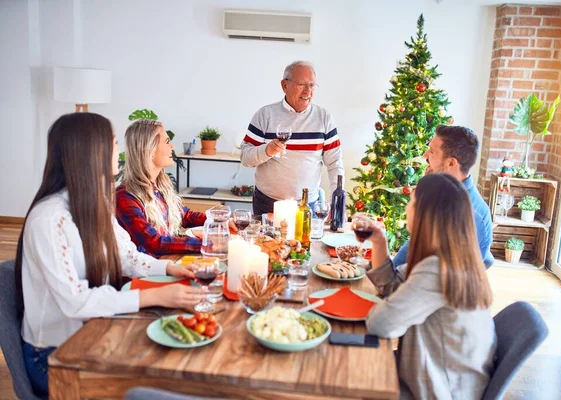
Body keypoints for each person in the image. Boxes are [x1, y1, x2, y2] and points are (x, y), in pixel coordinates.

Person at [14, 113, 203, 396]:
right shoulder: (49, 219)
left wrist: (169, 270)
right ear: (92, 151)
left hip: (96, 326)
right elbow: (74, 302)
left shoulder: (95, 201)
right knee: (161, 380)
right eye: (114, 143)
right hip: (56, 356)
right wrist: (152, 296)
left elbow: (126, 255)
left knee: (177, 360)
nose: (120, 151)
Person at [355, 174, 497, 400]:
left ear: (425, 213)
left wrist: (392, 305)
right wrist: (380, 241)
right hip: (451, 380)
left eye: (411, 201)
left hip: (438, 390)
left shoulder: (438, 269)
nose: (407, 208)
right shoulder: (455, 256)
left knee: (346, 371)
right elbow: (392, 286)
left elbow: (381, 325)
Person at [116, 119, 236, 256]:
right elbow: (154, 243)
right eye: (167, 142)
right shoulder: (125, 196)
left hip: (167, 264)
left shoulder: (159, 186)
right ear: (149, 149)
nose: (172, 147)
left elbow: (185, 216)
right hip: (147, 273)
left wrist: (220, 221)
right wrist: (210, 245)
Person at [240, 60, 344, 215]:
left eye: (312, 85)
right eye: (301, 84)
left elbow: (335, 163)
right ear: (284, 85)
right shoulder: (265, 115)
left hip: (308, 206)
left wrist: (337, 203)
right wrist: (267, 151)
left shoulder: (324, 118)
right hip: (268, 204)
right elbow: (245, 158)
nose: (308, 91)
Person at [395, 124, 494, 268]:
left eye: (432, 152)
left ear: (451, 163)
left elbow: (449, 279)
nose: (425, 156)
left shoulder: (472, 215)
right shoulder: (440, 194)